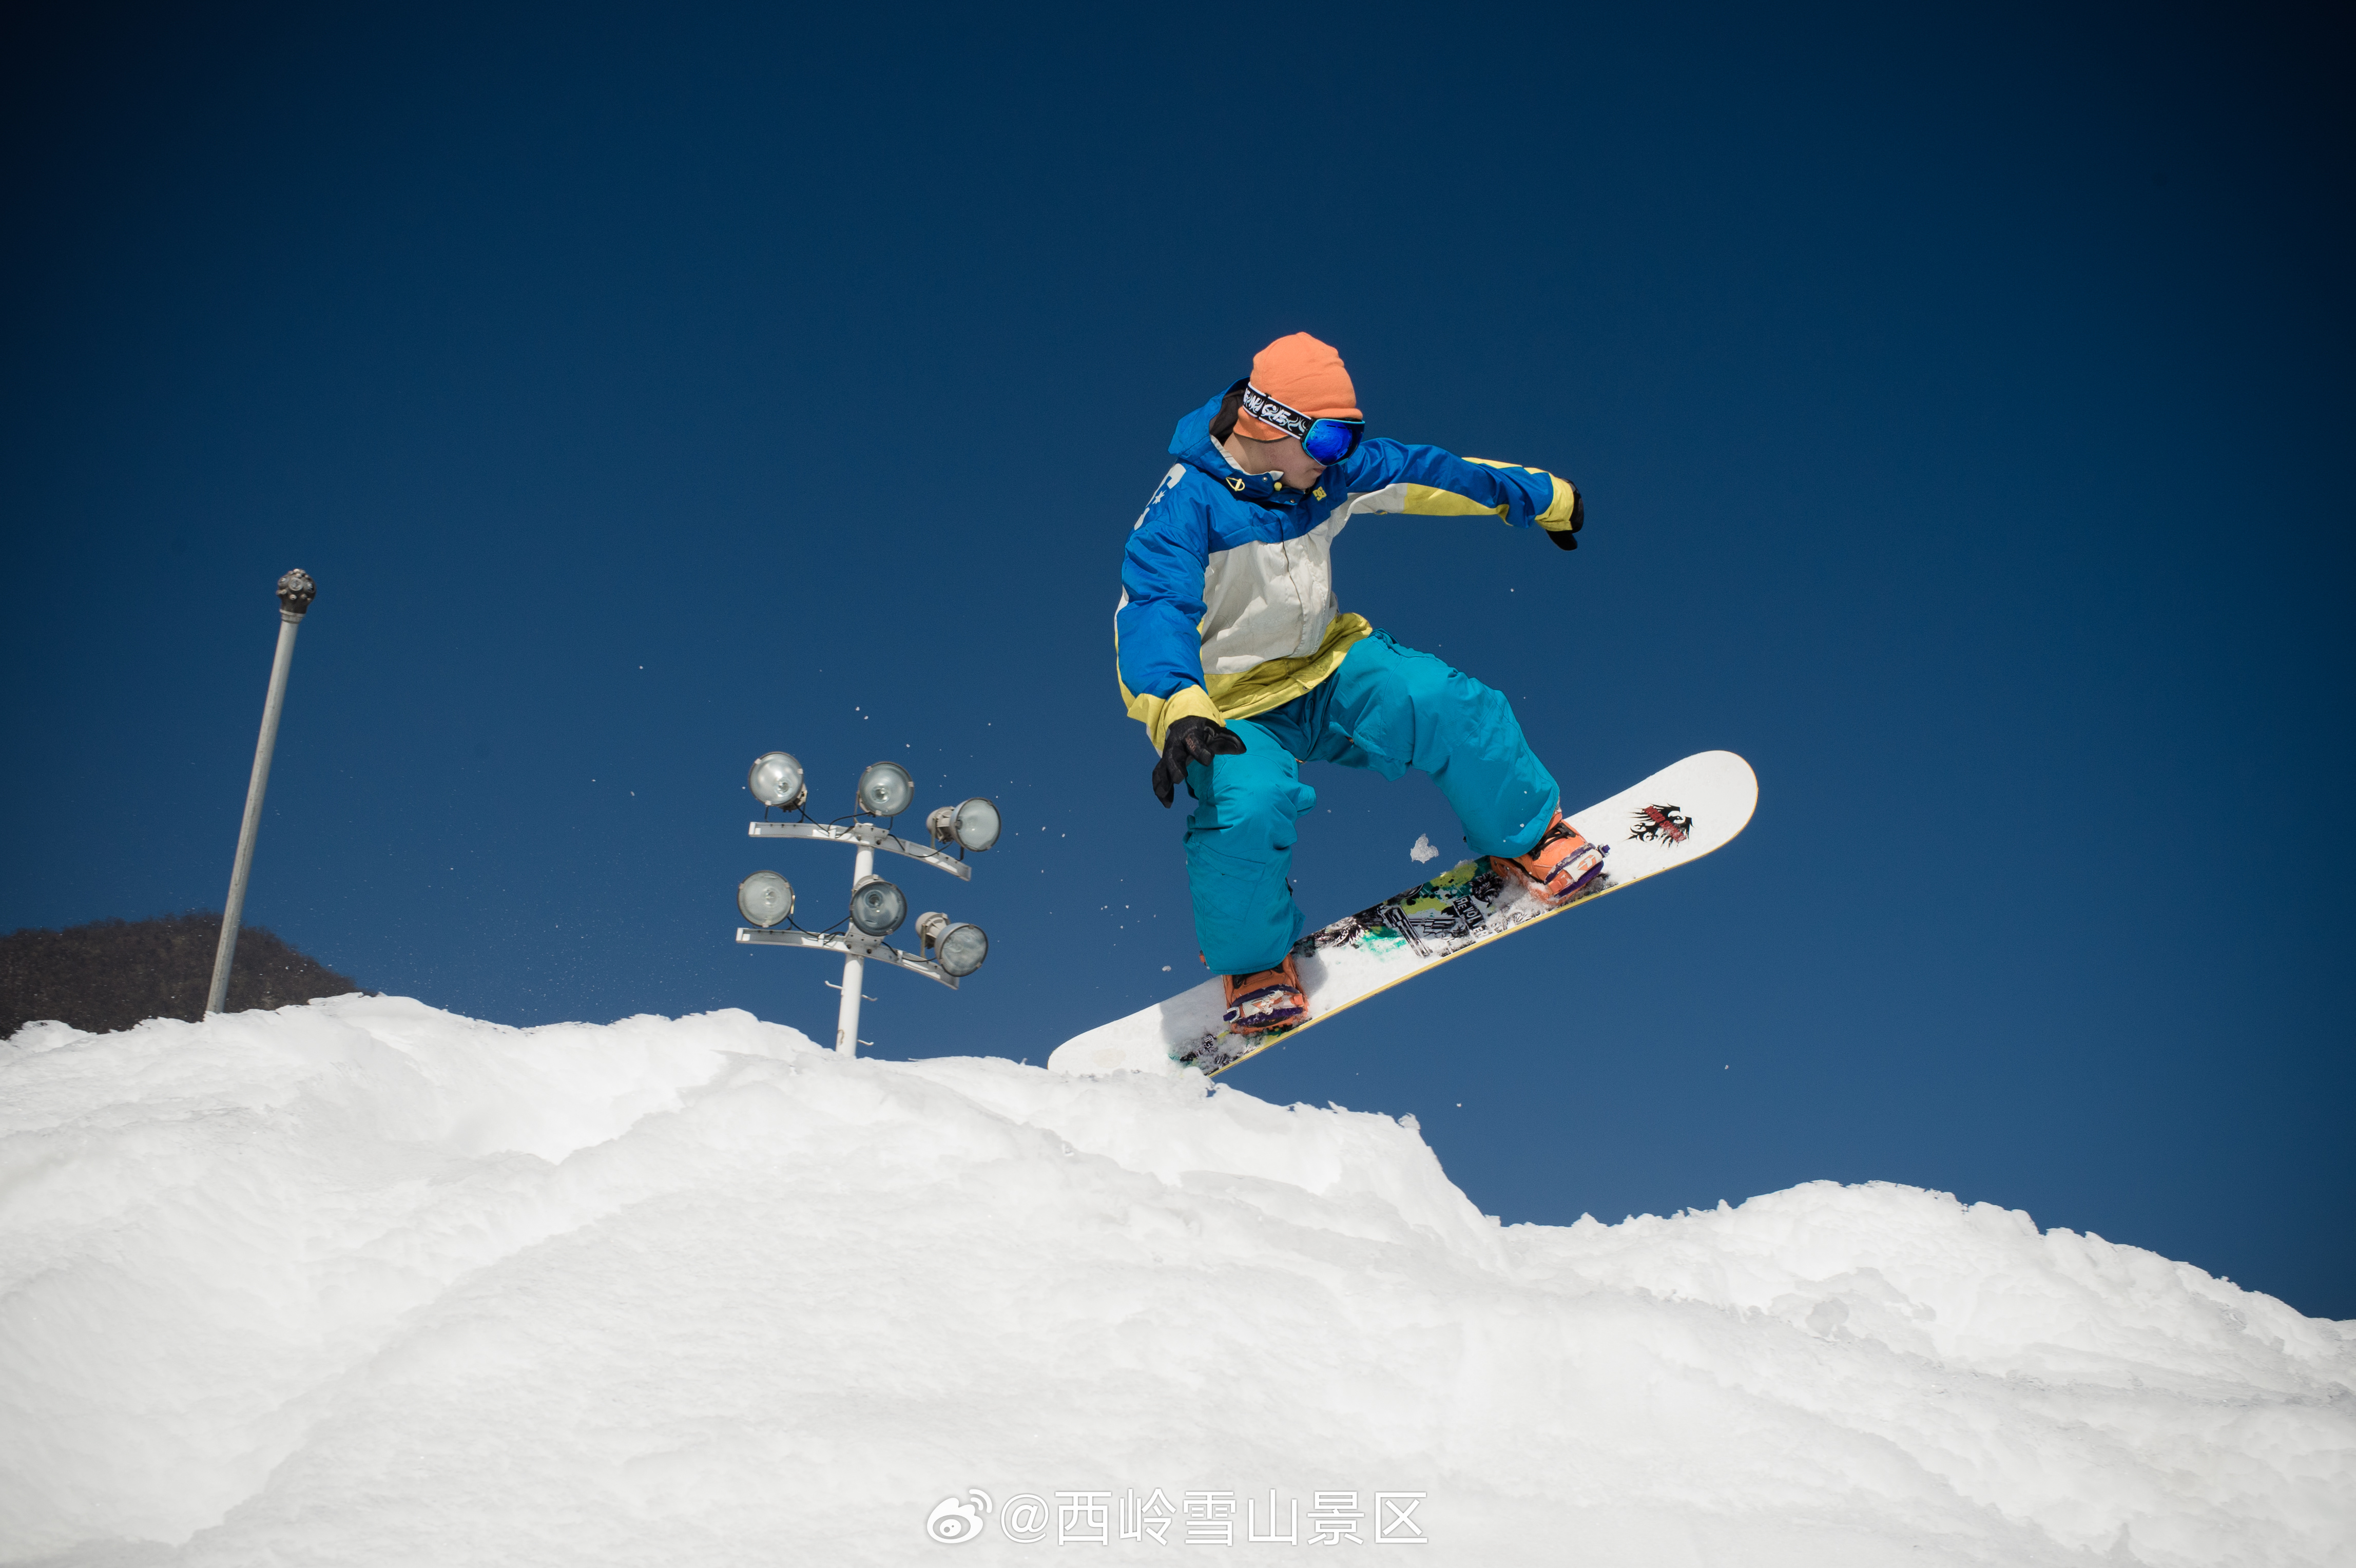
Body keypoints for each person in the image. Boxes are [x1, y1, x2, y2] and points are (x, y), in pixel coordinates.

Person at [1116, 332, 1600, 1034]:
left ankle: (1525, 833)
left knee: (1439, 700)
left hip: (1326, 668)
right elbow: (1154, 609)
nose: (1340, 458)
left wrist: (1545, 496)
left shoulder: (1328, 473)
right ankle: (1254, 961)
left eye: (1349, 440)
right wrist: (1179, 710)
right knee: (1246, 804)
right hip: (1228, 708)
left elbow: (1435, 474)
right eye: (1329, 441)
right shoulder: (1184, 509)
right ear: (1267, 424)